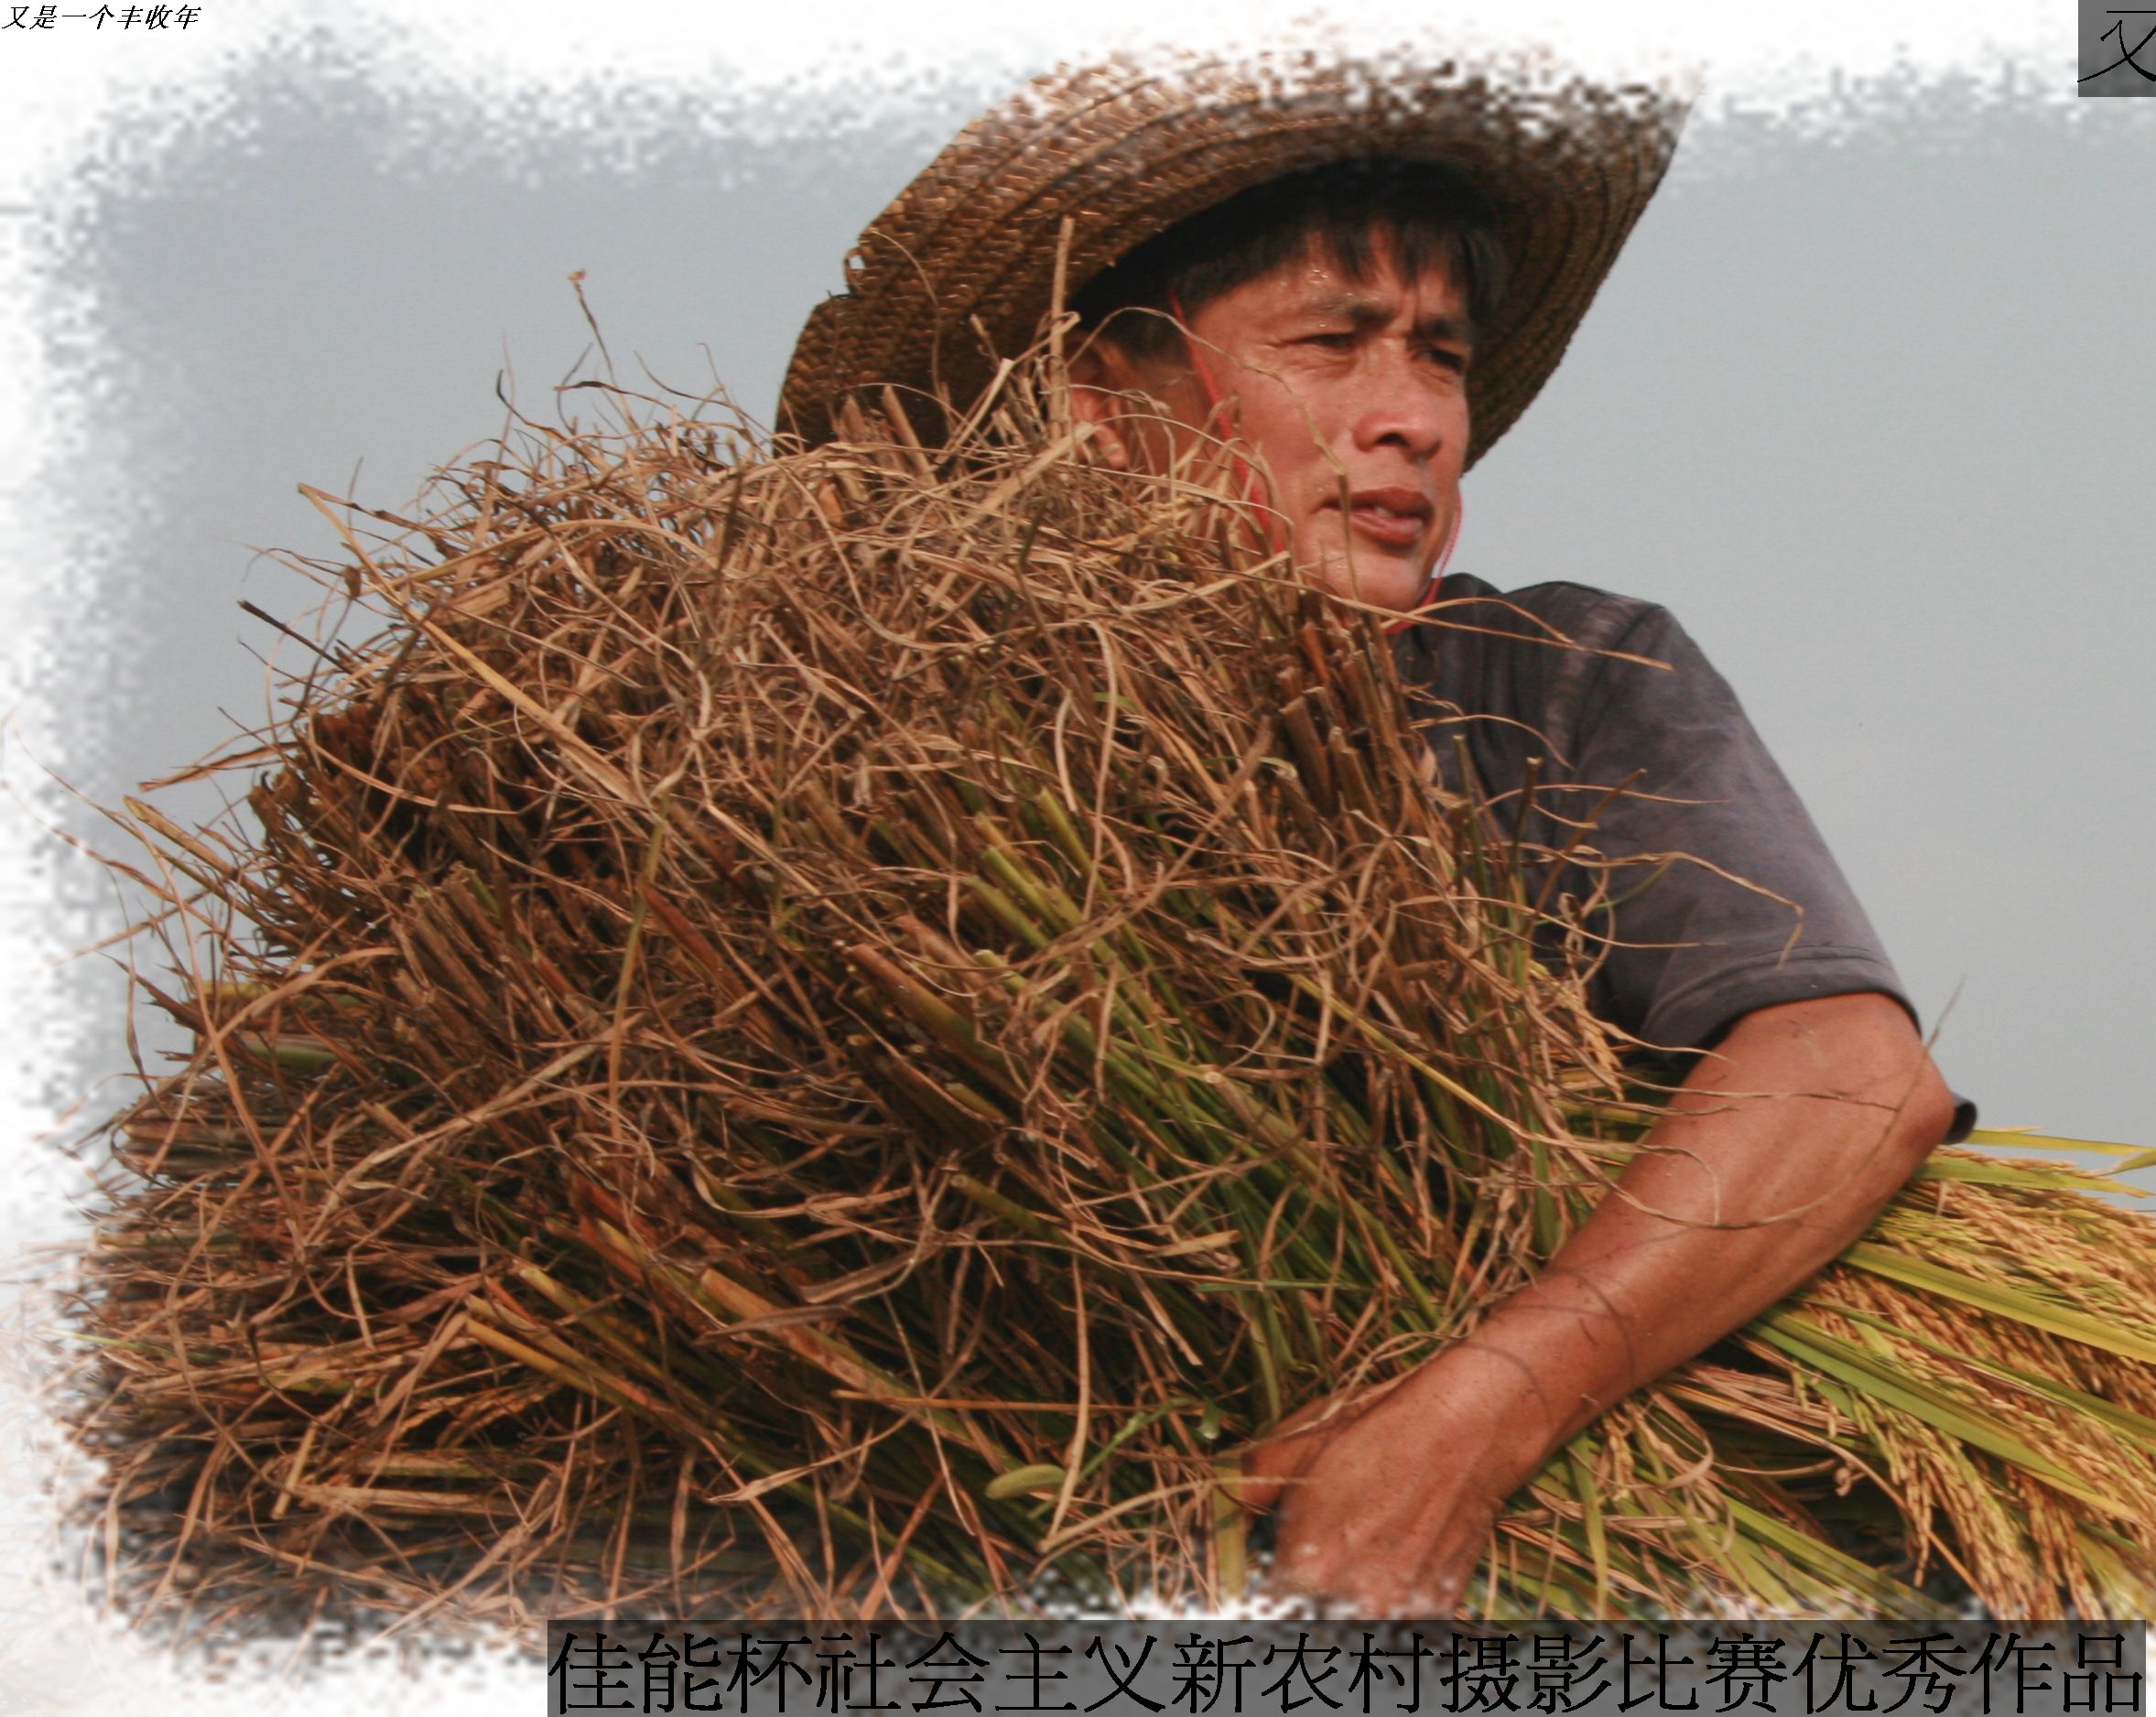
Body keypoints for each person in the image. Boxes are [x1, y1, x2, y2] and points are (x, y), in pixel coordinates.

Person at [776, 50, 1972, 1617]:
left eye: (1440, 358)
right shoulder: (915, 760)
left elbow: (1848, 1076)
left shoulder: (1547, 683)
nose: (1410, 420)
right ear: (1100, 405)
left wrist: (1471, 1423)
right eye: (1331, 347)